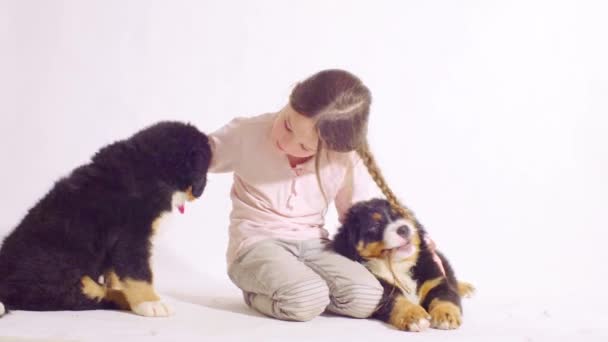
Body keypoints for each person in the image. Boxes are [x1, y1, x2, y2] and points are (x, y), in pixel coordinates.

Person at [208, 69, 409, 321]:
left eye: (305, 147)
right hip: (256, 243)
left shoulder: (344, 157)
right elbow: (193, 157)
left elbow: (356, 215)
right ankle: (263, 292)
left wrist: (402, 243)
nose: (286, 142)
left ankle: (302, 286)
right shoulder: (246, 133)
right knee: (304, 301)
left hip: (314, 244)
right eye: (288, 125)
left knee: (367, 296)